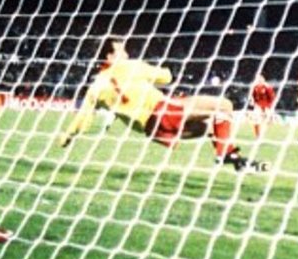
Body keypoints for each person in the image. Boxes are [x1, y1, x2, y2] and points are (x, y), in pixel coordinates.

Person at [57, 38, 267, 172]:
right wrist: (167, 69)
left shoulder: (96, 86)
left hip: (151, 130)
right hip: (163, 110)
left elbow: (83, 117)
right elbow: (165, 77)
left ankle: (236, 160)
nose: (127, 54)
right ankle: (224, 154)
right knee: (224, 105)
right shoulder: (130, 66)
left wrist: (68, 135)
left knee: (208, 128)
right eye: (122, 51)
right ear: (110, 56)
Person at [249, 74, 276, 139]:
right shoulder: (255, 87)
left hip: (267, 106)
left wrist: (271, 107)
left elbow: (272, 97)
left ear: (263, 79)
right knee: (256, 120)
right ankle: (257, 135)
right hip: (258, 106)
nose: (258, 80)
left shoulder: (267, 87)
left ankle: (262, 133)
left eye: (260, 79)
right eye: (257, 79)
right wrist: (252, 101)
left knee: (267, 121)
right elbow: (253, 96)